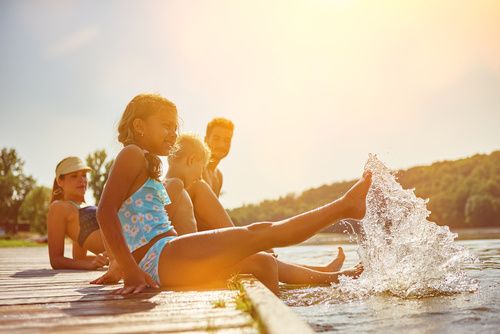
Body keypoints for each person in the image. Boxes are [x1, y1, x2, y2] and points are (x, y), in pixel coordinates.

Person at [94, 93, 371, 295]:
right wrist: (130, 270)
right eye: (165, 125)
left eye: (175, 127)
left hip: (166, 256)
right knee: (259, 232)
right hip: (162, 256)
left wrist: (121, 264)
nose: (172, 133)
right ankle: (344, 207)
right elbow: (105, 212)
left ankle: (282, 316)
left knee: (263, 262)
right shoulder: (131, 154)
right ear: (140, 126)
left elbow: (127, 218)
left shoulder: (145, 162)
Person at [165, 133, 350, 281]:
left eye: (226, 139)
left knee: (262, 256)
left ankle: (324, 272)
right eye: (198, 172)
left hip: (192, 258)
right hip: (190, 266)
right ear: (192, 160)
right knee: (261, 258)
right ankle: (328, 276)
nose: (198, 177)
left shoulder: (191, 183)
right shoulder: (182, 187)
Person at [47, 157, 108, 270]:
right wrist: (90, 265)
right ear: (60, 181)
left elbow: (80, 258)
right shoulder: (59, 207)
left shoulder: (84, 206)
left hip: (132, 248)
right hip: (132, 253)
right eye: (74, 176)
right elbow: (56, 260)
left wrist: (102, 259)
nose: (82, 180)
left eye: (84, 175)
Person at [203, 118, 234, 197]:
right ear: (206, 140)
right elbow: (167, 188)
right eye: (216, 139)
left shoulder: (219, 176)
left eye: (227, 140)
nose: (221, 145)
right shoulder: (194, 167)